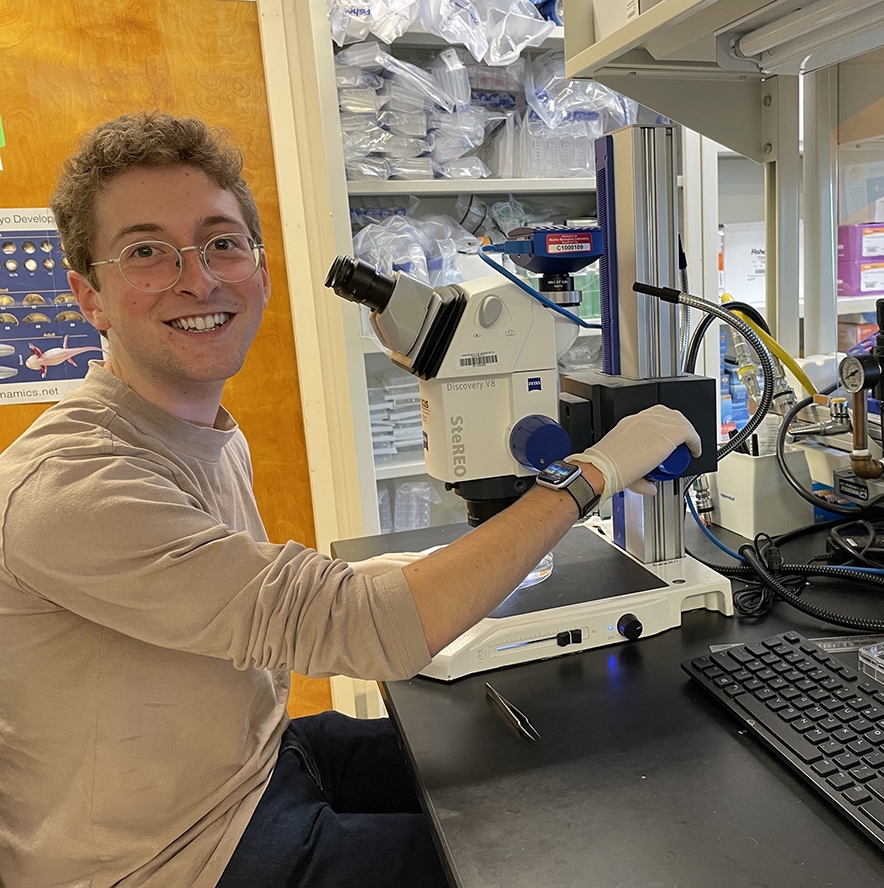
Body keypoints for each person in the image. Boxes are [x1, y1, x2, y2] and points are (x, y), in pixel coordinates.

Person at [0, 113, 701, 888]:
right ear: (88, 297)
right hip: (172, 860)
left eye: (222, 242)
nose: (197, 278)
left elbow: (262, 598)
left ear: (260, 271)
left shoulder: (202, 434)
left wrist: (421, 568)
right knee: (560, 864)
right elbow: (370, 631)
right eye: (145, 253)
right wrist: (594, 471)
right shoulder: (72, 488)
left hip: (252, 766)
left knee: (549, 771)